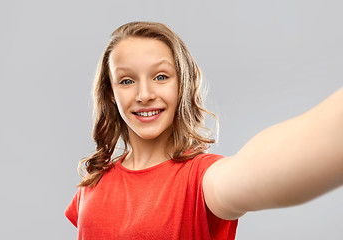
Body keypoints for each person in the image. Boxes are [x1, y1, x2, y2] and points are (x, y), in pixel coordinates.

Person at [65, 21, 343, 239]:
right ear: (111, 93)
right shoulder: (93, 184)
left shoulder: (202, 180)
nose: (145, 94)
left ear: (181, 84)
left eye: (161, 76)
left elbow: (262, 167)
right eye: (126, 80)